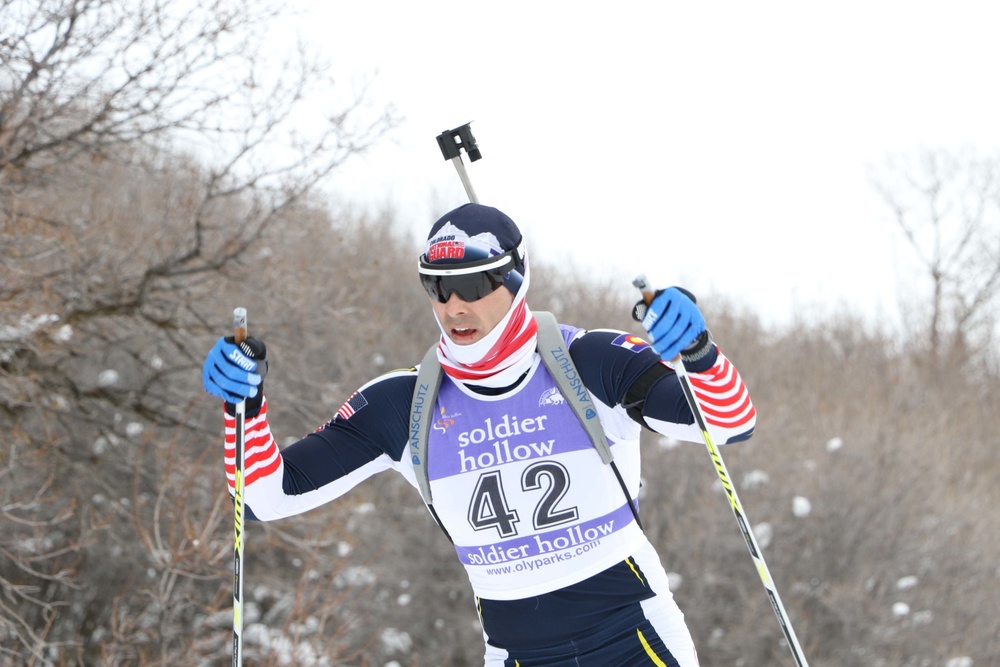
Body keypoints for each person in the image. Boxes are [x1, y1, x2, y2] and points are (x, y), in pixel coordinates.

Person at [202, 203, 756, 666]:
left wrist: (700, 354)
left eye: (471, 284)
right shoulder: (404, 403)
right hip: (516, 650)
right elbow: (265, 496)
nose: (453, 306)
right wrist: (244, 405)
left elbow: (730, 423)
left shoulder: (588, 362)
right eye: (437, 288)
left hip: (632, 637)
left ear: (514, 280)